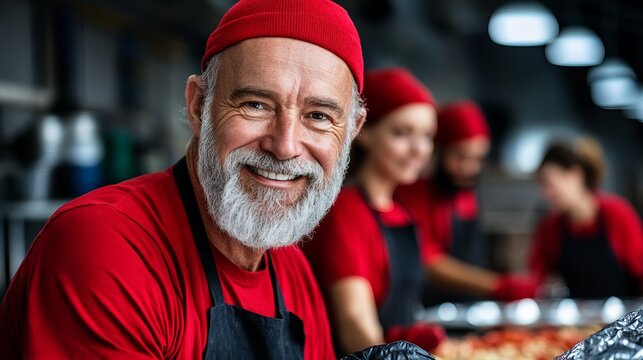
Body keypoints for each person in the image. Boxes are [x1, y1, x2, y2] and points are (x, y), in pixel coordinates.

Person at [0, 1, 411, 359]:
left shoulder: (292, 272)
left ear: (353, 129)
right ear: (199, 106)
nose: (285, 146)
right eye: (255, 104)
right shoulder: (106, 244)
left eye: (318, 116)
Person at [303, 68, 445, 355]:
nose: (419, 149)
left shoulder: (401, 211)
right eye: (401, 133)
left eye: (427, 136)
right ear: (364, 131)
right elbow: (354, 323)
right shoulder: (345, 210)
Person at [396, 100, 537, 305]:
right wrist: (497, 285)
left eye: (478, 158)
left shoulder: (466, 194)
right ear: (438, 150)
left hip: (472, 308)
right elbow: (428, 261)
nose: (470, 168)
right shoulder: (411, 195)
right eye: (461, 157)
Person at [529, 138, 643, 298]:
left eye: (550, 183)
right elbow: (537, 280)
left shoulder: (617, 213)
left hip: (625, 318)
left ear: (575, 174)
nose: (546, 193)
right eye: (542, 185)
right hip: (578, 320)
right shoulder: (551, 226)